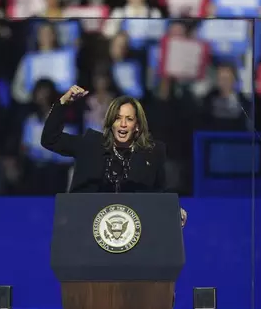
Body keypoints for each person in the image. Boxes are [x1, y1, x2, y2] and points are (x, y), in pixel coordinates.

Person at [41, 85, 187, 226]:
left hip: (135, 231)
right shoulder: (90, 145)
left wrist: (173, 208)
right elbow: (50, 139)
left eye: (129, 119)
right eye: (118, 118)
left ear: (137, 126)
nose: (123, 124)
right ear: (111, 122)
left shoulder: (151, 153)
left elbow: (159, 193)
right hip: (86, 227)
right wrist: (63, 103)